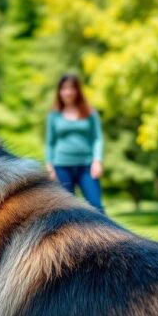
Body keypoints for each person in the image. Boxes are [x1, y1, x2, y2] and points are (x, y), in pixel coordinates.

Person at [45, 74, 105, 213]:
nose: (68, 92)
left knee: (96, 206)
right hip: (61, 167)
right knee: (65, 209)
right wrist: (49, 166)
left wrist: (97, 161)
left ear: (77, 91)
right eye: (64, 88)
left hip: (87, 166)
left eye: (72, 88)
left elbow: (97, 138)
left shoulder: (89, 113)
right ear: (59, 92)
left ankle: (103, 235)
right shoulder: (54, 115)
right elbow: (50, 143)